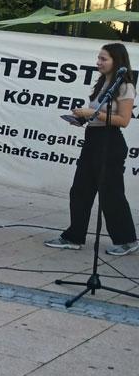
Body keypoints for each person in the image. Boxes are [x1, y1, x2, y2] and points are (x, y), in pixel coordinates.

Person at [45, 43, 139, 255]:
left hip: (110, 143)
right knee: (80, 190)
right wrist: (81, 119)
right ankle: (74, 236)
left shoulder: (125, 86)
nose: (98, 62)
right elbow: (98, 115)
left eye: (103, 59)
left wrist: (90, 114)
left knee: (110, 193)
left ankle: (126, 240)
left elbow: (123, 121)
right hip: (93, 139)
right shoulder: (104, 83)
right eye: (98, 58)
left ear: (117, 60)